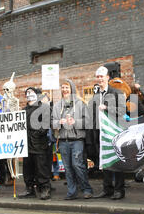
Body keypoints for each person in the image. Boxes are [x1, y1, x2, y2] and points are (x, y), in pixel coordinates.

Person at [90, 65, 127, 200]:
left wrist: (107, 107)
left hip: (114, 132)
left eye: (102, 76)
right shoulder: (96, 95)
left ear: (107, 78)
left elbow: (123, 111)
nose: (99, 79)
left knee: (116, 160)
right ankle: (107, 189)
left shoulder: (116, 92)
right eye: (97, 76)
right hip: (101, 133)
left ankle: (119, 189)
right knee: (104, 161)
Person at [53, 79, 93, 200]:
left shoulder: (80, 104)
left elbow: (88, 122)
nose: (64, 90)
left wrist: (75, 122)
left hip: (77, 140)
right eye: (63, 87)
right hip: (63, 141)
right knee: (68, 167)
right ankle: (72, 191)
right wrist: (59, 122)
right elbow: (52, 123)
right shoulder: (57, 105)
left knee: (77, 165)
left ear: (72, 90)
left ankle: (86, 189)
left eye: (67, 87)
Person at [19, 87, 52, 200]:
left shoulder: (44, 108)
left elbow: (45, 125)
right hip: (26, 145)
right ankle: (29, 188)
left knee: (41, 167)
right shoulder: (23, 110)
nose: (28, 94)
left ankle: (44, 188)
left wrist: (36, 135)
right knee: (27, 168)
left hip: (39, 144)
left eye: (31, 92)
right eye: (27, 92)